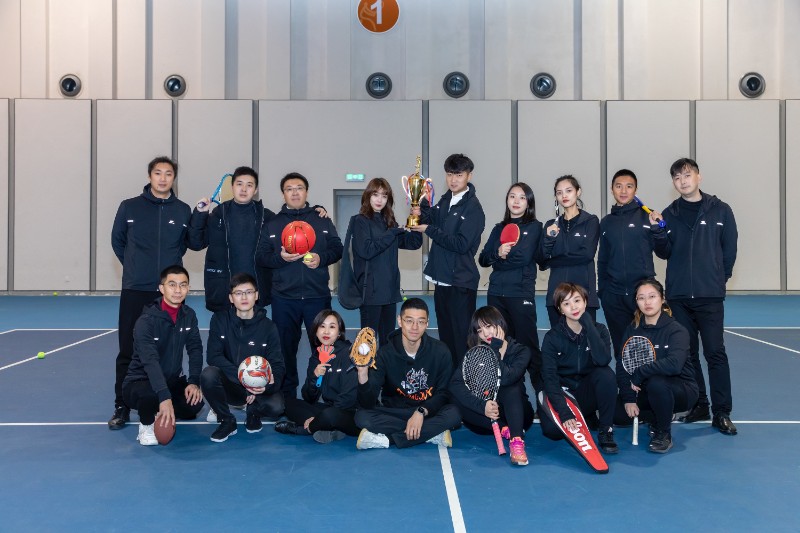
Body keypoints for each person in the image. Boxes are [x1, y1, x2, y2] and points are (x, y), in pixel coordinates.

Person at [109, 156, 203, 430]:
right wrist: (136, 267)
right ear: (150, 176)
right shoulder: (129, 207)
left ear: (174, 178)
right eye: (158, 173)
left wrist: (200, 216)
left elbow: (192, 244)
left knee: (168, 348)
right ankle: (121, 405)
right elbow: (118, 242)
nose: (163, 178)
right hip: (136, 289)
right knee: (128, 349)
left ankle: (164, 395)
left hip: (168, 293)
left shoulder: (182, 210)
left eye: (168, 174)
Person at [650, 157, 738, 435]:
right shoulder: (669, 213)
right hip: (678, 296)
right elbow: (663, 252)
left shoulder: (721, 210)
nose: (682, 181)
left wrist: (718, 279)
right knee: (688, 354)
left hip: (709, 296)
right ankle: (700, 404)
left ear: (698, 177)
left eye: (687, 175)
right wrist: (658, 231)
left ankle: (722, 412)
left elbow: (729, 250)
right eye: (677, 177)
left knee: (715, 353)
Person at [256, 172, 343, 399]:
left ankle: (325, 393)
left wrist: (321, 259)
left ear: (306, 191)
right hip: (284, 299)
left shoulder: (322, 219)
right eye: (289, 189)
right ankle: (287, 398)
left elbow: (337, 248)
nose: (295, 192)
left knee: (323, 350)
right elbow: (261, 257)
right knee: (285, 351)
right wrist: (280, 258)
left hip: (317, 296)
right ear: (283, 194)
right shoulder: (273, 224)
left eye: (299, 188)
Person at [354, 298, 461, 450]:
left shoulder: (441, 351)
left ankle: (389, 440)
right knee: (362, 417)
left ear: (427, 323)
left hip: (427, 411)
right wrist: (362, 374)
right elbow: (367, 402)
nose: (415, 327)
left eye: (420, 322)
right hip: (395, 412)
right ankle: (431, 432)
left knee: (454, 414)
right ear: (400, 321)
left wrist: (421, 412)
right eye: (409, 321)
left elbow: (444, 394)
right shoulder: (385, 354)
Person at [409, 153, 485, 366]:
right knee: (446, 337)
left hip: (461, 282)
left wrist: (429, 229)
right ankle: (450, 380)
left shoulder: (474, 208)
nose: (453, 179)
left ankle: (466, 380)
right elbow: (432, 219)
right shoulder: (445, 200)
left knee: (462, 339)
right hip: (441, 280)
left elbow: (461, 244)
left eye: (459, 175)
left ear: (469, 176)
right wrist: (420, 209)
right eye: (450, 174)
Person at [121, 266, 204, 446]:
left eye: (183, 285)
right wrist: (164, 396)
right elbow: (150, 360)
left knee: (194, 404)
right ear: (161, 288)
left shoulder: (189, 315)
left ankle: (161, 408)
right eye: (172, 284)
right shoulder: (146, 321)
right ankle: (146, 424)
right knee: (150, 395)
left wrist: (193, 381)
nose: (178, 290)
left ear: (188, 288)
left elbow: (195, 348)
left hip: (171, 380)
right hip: (140, 381)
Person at [200, 273, 285, 443]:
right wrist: (245, 380)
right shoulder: (219, 320)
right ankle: (227, 420)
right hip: (232, 385)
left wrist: (264, 385)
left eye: (249, 292)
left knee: (277, 407)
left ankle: (253, 412)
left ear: (257, 295)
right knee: (208, 375)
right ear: (231, 298)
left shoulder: (269, 327)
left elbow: (277, 364)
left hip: (258, 387)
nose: (244, 297)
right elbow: (213, 356)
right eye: (238, 293)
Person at [616, 278, 699, 453]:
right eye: (641, 298)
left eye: (652, 296)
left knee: (657, 382)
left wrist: (641, 372)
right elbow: (622, 365)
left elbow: (674, 365)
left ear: (662, 299)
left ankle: (663, 433)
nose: (647, 302)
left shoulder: (677, 330)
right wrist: (629, 398)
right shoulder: (632, 329)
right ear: (636, 302)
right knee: (617, 415)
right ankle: (658, 414)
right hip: (644, 389)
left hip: (682, 389)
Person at [478, 182, 545, 389]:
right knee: (500, 344)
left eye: (522, 197)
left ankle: (543, 393)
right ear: (507, 200)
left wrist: (498, 260)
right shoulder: (498, 228)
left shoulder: (535, 227)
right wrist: (497, 253)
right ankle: (510, 394)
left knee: (528, 345)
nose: (516, 201)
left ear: (529, 203)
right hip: (496, 294)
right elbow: (483, 259)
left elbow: (523, 257)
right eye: (512, 196)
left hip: (520, 294)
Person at [539, 282, 618, 454]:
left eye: (577, 300)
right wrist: (564, 412)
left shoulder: (600, 330)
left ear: (585, 302)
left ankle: (606, 430)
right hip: (563, 394)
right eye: (566, 303)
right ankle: (584, 416)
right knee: (552, 433)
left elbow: (603, 360)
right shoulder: (552, 338)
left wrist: (589, 326)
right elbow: (550, 378)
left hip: (586, 391)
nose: (573, 307)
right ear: (560, 309)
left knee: (606, 375)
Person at [450, 306, 534, 466]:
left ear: (499, 323)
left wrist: (495, 348)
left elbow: (507, 378)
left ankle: (517, 441)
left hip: (518, 416)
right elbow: (455, 384)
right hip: (486, 420)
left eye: (488, 326)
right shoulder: (476, 352)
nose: (485, 333)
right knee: (454, 400)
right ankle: (503, 428)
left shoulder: (521, 351)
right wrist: (482, 406)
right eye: (480, 330)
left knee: (510, 387)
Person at [188, 167, 276, 312]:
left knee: (256, 327)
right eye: (239, 184)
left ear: (255, 190)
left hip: (256, 294)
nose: (244, 189)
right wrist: (200, 214)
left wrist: (315, 211)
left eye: (249, 185)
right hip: (223, 291)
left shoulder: (267, 217)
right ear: (232, 187)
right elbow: (195, 243)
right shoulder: (218, 214)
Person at [351, 178, 422, 345]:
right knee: (367, 343)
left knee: (388, 341)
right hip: (370, 293)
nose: (379, 200)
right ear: (368, 196)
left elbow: (413, 243)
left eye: (384, 196)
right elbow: (367, 251)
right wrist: (391, 233)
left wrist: (415, 221)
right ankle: (366, 364)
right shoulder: (360, 221)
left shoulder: (389, 222)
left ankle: (385, 364)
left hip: (389, 291)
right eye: (375, 194)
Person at [598, 169, 659, 360]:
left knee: (648, 348)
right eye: (619, 186)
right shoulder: (606, 223)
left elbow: (664, 250)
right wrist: (604, 293)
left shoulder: (648, 217)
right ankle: (623, 381)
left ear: (635, 190)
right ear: (612, 189)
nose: (623, 191)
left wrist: (659, 230)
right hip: (614, 297)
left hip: (641, 296)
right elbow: (603, 259)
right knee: (621, 348)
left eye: (629, 186)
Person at [275, 310, 360, 443]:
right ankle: (328, 429)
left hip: (352, 413)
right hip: (329, 409)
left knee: (330, 415)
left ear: (339, 333)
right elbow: (308, 397)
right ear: (316, 331)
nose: (326, 331)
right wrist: (315, 376)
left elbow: (348, 397)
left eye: (332, 327)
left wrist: (318, 418)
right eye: (322, 326)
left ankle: (303, 430)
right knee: (287, 403)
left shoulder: (349, 353)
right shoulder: (317, 356)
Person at [541, 175, 600, 328]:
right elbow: (541, 261)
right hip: (556, 297)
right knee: (558, 340)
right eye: (559, 192)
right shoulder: (550, 225)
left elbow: (587, 255)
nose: (564, 196)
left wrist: (553, 261)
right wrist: (548, 239)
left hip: (584, 295)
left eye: (568, 190)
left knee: (587, 340)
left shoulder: (591, 221)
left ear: (578, 192)